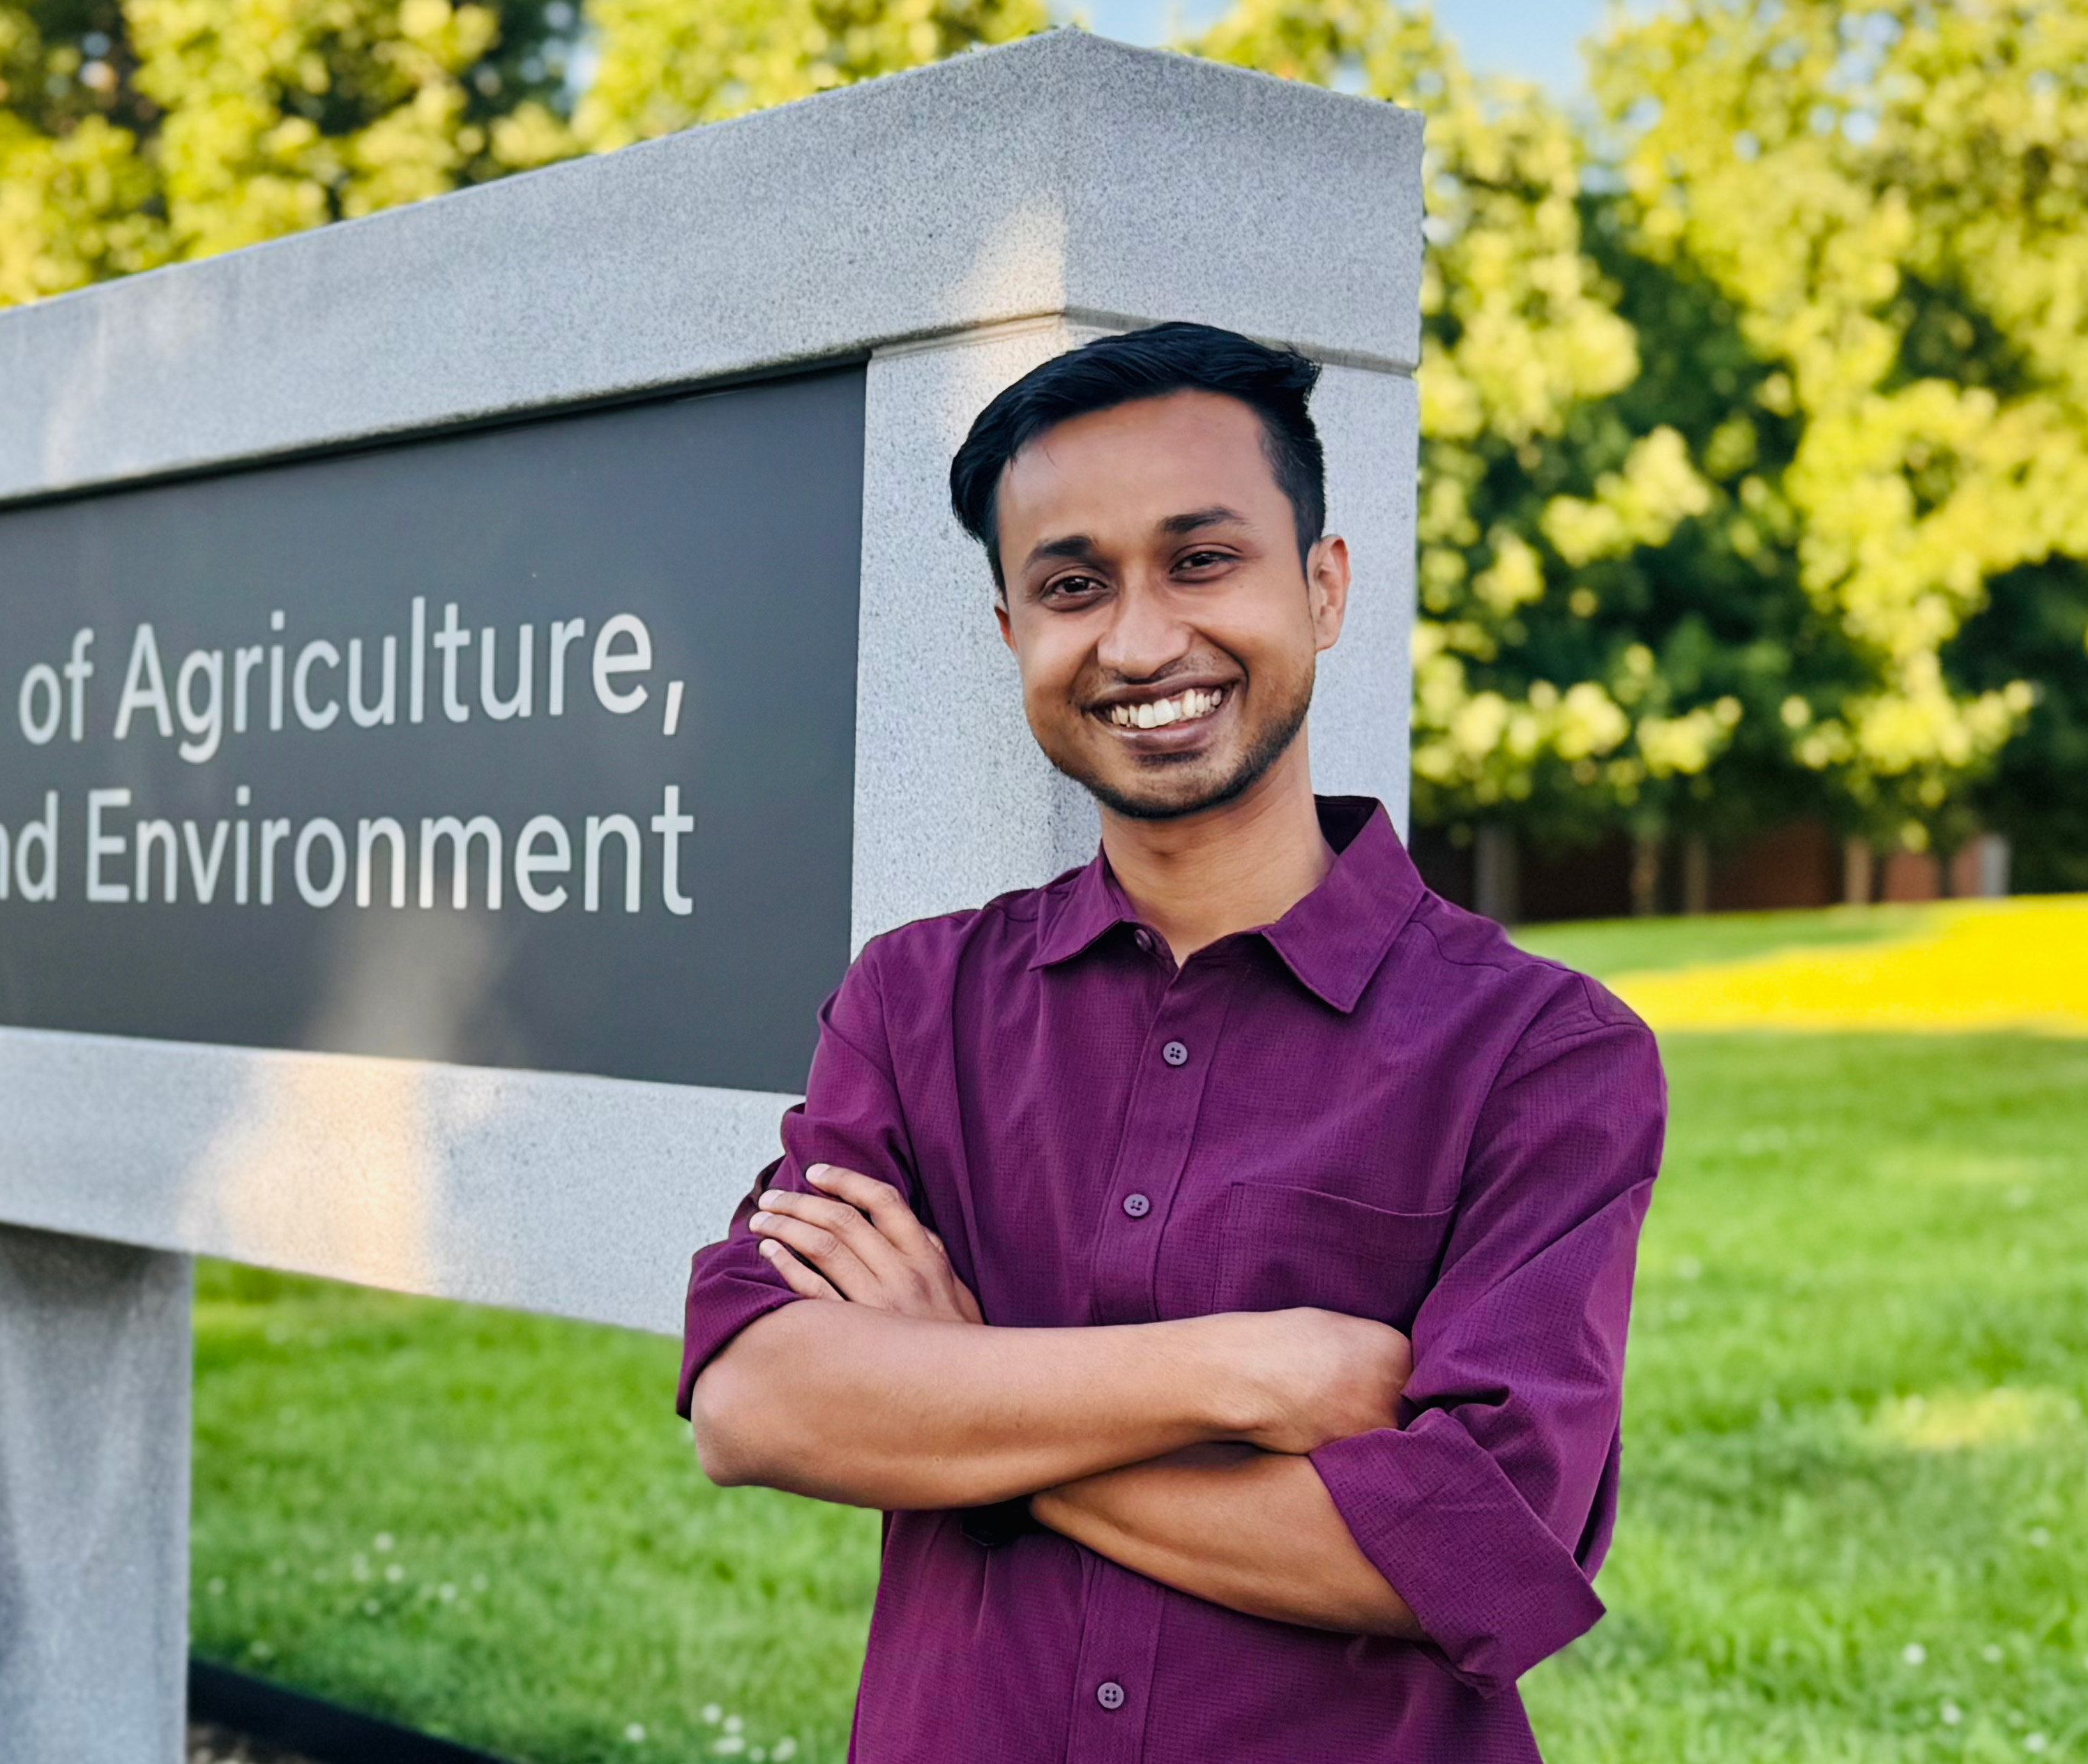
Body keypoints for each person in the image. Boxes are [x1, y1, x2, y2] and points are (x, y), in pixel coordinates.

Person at [680, 322, 1660, 1761]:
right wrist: (1241, 1372)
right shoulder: (914, 1000)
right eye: (1074, 584)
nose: (1141, 640)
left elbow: (1468, 1549)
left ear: (1323, 587)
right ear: (1016, 633)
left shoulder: (1539, 1053)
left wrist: (963, 1389)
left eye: (1203, 560)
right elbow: (757, 1400)